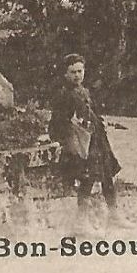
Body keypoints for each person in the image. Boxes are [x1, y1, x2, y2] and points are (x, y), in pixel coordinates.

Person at [48, 53, 122, 215]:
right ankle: (82, 221)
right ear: (65, 74)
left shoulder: (84, 91)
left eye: (80, 71)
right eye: (73, 72)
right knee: (87, 180)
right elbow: (57, 122)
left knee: (107, 175)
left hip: (98, 140)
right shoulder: (64, 95)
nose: (77, 76)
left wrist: (100, 121)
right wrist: (63, 139)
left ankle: (114, 214)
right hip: (83, 142)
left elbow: (92, 112)